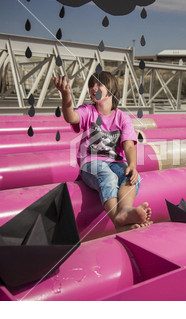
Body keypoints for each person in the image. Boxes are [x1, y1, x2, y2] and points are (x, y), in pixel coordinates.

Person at [53, 71, 152, 232]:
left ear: (111, 88)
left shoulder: (122, 118)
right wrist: (66, 95)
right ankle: (117, 220)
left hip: (115, 162)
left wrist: (132, 165)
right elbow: (71, 117)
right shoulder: (88, 111)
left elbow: (129, 146)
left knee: (132, 177)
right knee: (108, 177)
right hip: (91, 164)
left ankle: (125, 210)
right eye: (91, 85)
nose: (93, 88)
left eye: (99, 84)